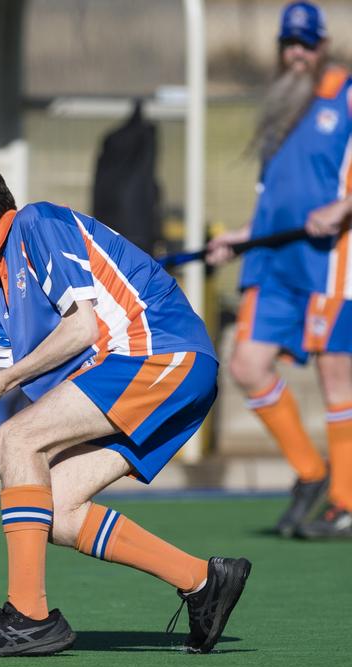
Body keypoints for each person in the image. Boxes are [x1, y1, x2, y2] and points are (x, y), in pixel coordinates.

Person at [0, 148, 251, 657]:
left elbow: (81, 327)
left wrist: (5, 380)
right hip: (151, 372)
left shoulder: (36, 224)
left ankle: (28, 616)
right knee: (57, 511)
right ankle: (203, 581)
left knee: (16, 437)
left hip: (159, 354)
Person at [207, 1, 352, 539]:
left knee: (335, 375)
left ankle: (345, 502)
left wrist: (344, 206)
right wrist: (241, 238)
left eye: (306, 44)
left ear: (323, 45)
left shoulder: (346, 93)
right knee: (247, 365)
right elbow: (277, 198)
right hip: (273, 259)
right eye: (288, 44)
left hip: (329, 260)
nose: (297, 54)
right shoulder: (280, 107)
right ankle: (312, 474)